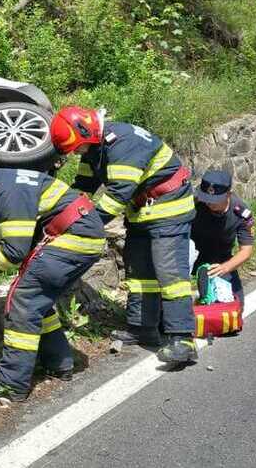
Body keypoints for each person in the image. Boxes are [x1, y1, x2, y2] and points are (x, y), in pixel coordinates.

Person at [0, 146, 105, 401]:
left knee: (22, 302)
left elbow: (13, 252)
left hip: (73, 238)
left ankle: (12, 384)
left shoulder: (5, 192)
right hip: (80, 234)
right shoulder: (5, 181)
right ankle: (59, 362)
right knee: (38, 300)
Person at [50, 106, 197, 363]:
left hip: (169, 210)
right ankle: (143, 328)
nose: (76, 153)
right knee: (139, 274)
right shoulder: (94, 149)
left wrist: (88, 226)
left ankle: (182, 338)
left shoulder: (123, 143)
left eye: (77, 147)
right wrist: (58, 214)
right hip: (142, 212)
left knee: (170, 275)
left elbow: (118, 195)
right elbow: (82, 189)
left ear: (86, 132)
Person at [191, 170, 254, 305]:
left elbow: (246, 250)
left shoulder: (241, 213)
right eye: (206, 198)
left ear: (228, 194)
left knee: (235, 305)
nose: (209, 203)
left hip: (220, 259)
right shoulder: (194, 203)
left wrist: (225, 267)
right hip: (190, 255)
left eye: (215, 200)